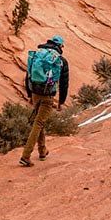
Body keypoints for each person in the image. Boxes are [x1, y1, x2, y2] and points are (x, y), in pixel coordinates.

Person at [19, 35, 69, 167]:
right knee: (39, 123)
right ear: (60, 46)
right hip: (48, 95)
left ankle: (42, 151)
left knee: (39, 122)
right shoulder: (60, 60)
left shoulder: (37, 54)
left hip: (35, 92)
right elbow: (64, 83)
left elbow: (28, 75)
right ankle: (25, 155)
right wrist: (61, 102)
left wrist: (30, 94)